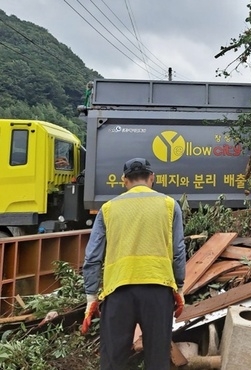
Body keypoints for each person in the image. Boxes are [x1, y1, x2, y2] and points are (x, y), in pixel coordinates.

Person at [81, 157, 186, 370]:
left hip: (118, 293)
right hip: (158, 292)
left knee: (113, 361)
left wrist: (91, 297)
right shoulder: (169, 205)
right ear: (152, 178)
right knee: (157, 360)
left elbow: (92, 257)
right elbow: (178, 252)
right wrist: (180, 287)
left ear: (124, 181)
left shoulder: (108, 209)